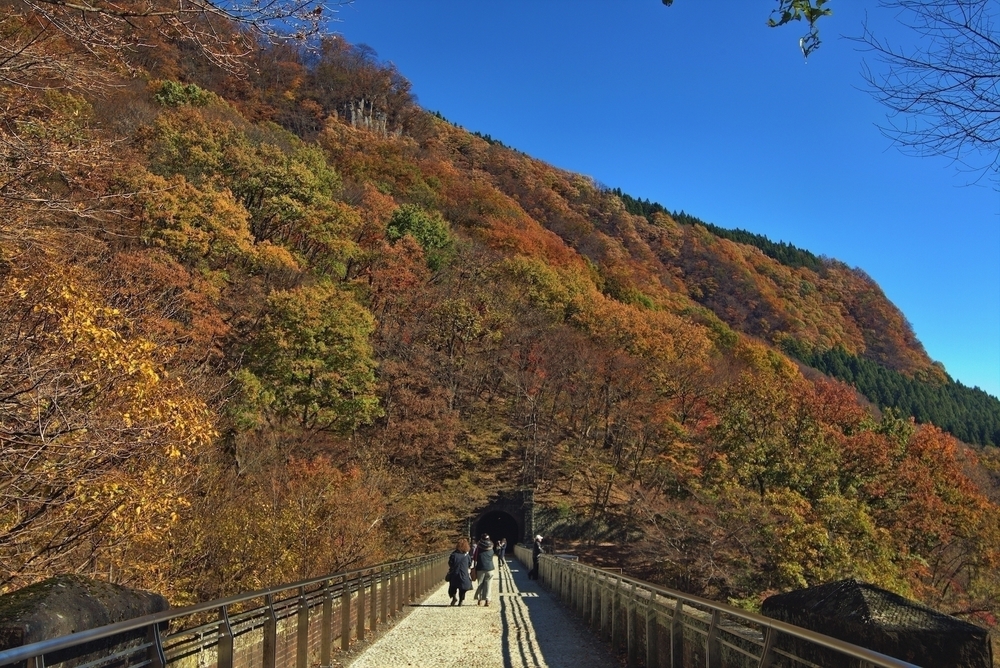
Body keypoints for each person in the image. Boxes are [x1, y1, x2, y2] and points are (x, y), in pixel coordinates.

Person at [447, 538, 474, 606]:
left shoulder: (454, 554)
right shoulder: (466, 555)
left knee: (453, 587)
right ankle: (461, 601)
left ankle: (454, 597)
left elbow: (450, 563)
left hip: (455, 573)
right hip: (463, 573)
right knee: (462, 588)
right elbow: (469, 564)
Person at [472, 533, 496, 606]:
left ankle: (479, 600)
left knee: (480, 584)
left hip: (480, 568)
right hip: (490, 568)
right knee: (488, 585)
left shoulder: (478, 548)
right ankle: (487, 600)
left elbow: (474, 558)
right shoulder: (491, 547)